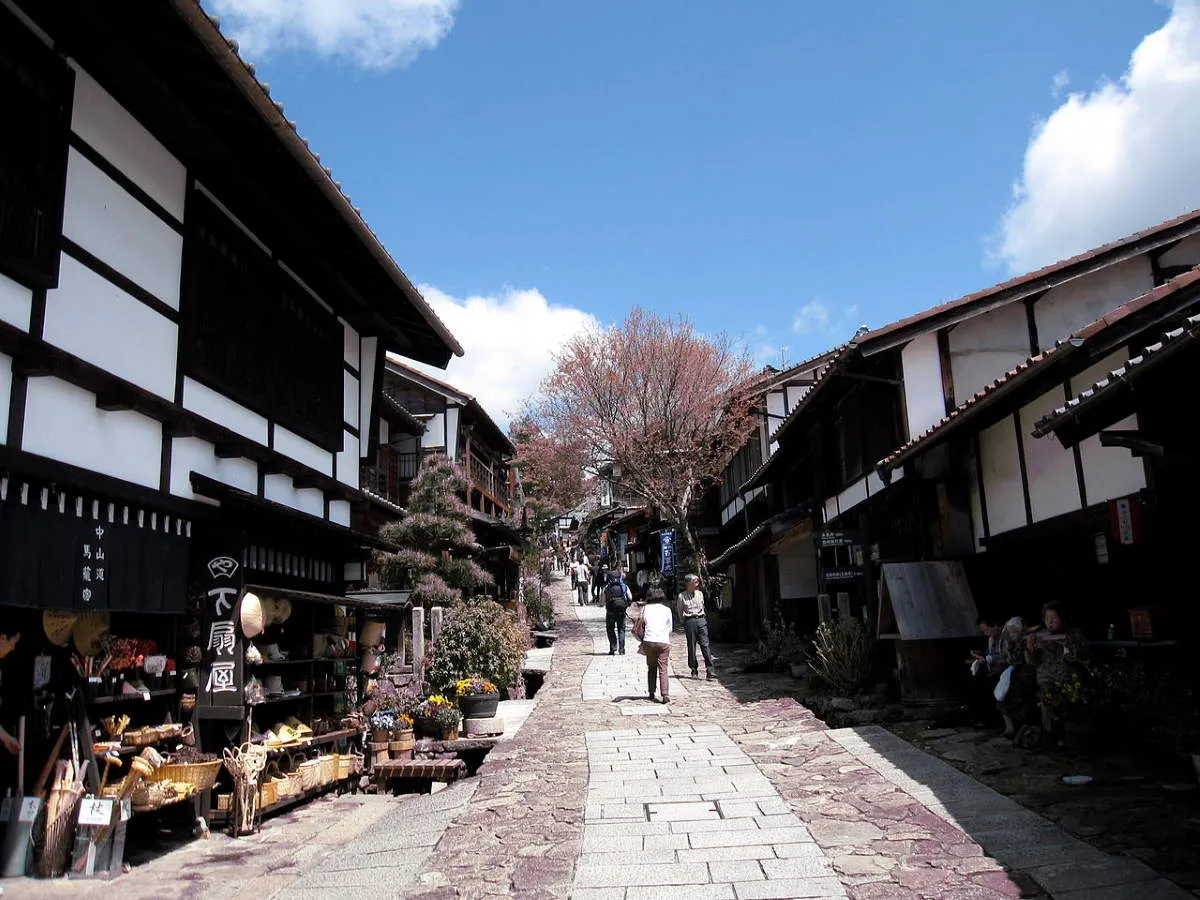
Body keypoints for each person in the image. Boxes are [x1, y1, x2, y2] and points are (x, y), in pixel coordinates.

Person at [1027, 601, 1089, 738]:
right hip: (1047, 678)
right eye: (1046, 618)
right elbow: (1032, 662)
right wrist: (1030, 650)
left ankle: (1070, 736)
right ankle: (1053, 736)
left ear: (1061, 618)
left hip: (1069, 678)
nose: (1050, 622)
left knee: (1070, 698)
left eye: (1053, 618)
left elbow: (1084, 658)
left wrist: (1069, 646)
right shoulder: (1039, 636)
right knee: (1047, 696)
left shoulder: (1074, 634)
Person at [676, 574, 715, 680]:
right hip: (690, 620)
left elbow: (703, 606)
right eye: (695, 581)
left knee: (705, 644)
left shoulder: (700, 594)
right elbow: (680, 611)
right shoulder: (681, 596)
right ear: (689, 583)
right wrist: (683, 621)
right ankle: (694, 669)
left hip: (701, 619)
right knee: (692, 646)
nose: (697, 583)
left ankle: (710, 670)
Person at [640, 588, 674, 703]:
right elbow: (670, 628)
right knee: (663, 668)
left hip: (649, 640)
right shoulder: (667, 610)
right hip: (663, 641)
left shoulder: (645, 609)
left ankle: (651, 692)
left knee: (651, 667)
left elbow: (642, 624)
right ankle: (665, 694)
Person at [604, 569, 632, 655]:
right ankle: (622, 649)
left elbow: (602, 600)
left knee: (610, 629)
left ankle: (613, 647)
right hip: (621, 611)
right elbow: (630, 597)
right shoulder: (624, 586)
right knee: (621, 629)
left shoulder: (607, 587)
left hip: (610, 611)